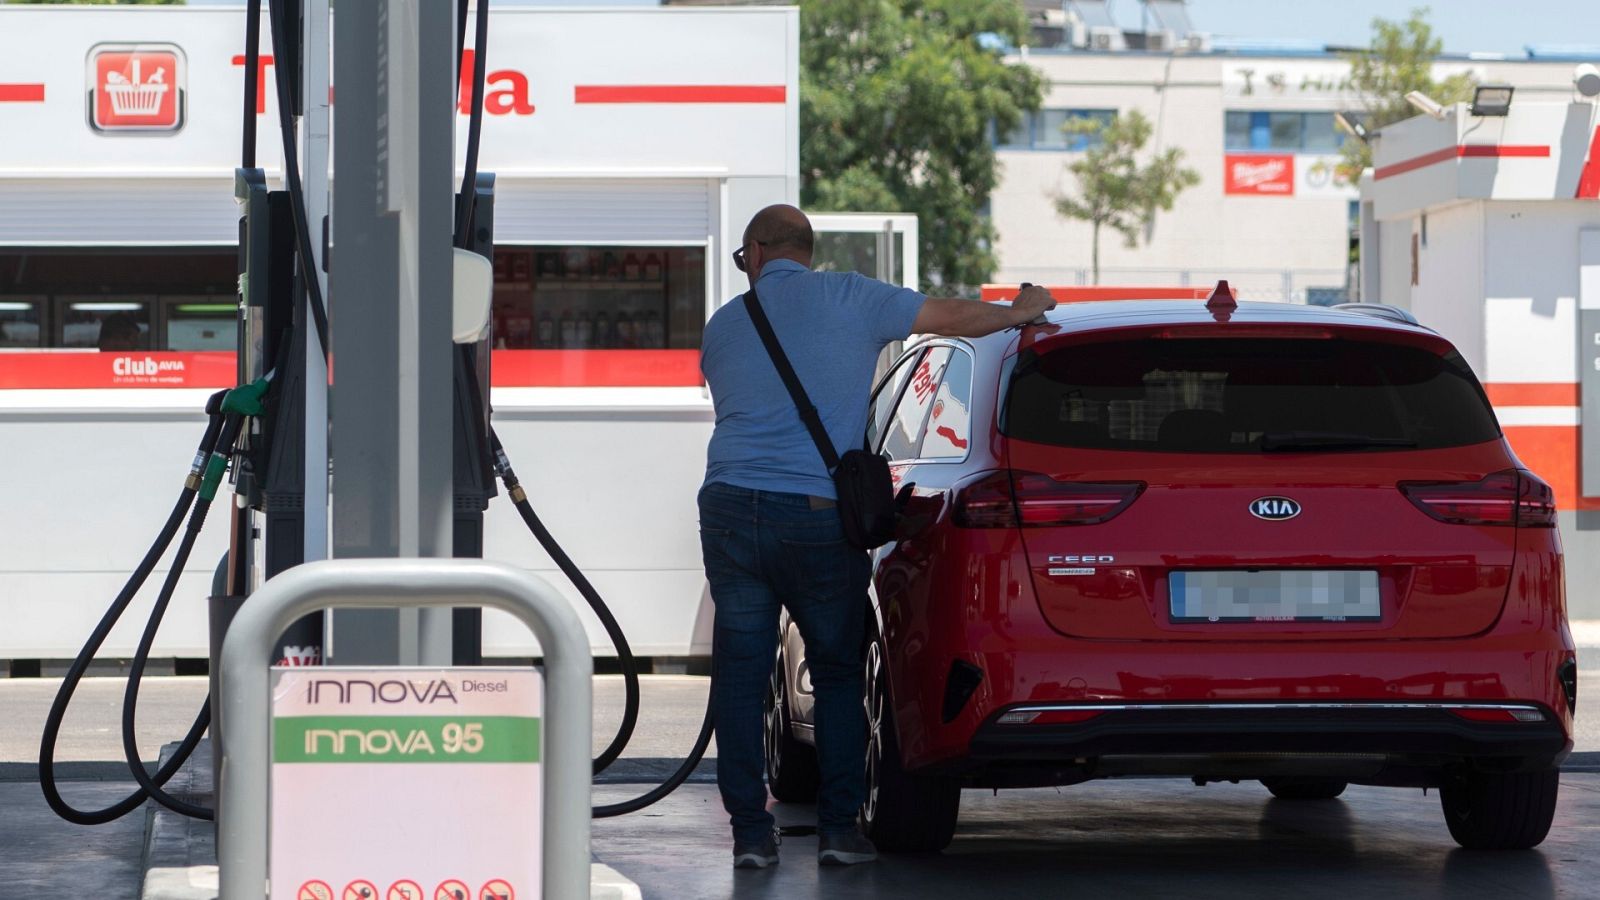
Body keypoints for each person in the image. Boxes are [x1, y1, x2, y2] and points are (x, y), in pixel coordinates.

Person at [698, 204, 1055, 868]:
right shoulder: (851, 297)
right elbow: (951, 318)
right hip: (813, 513)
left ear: (756, 250)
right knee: (837, 674)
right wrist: (1018, 309)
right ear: (807, 250)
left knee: (742, 675)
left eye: (744, 260)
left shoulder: (724, 324)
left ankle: (750, 835)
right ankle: (837, 831)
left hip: (729, 510)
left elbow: (732, 405)